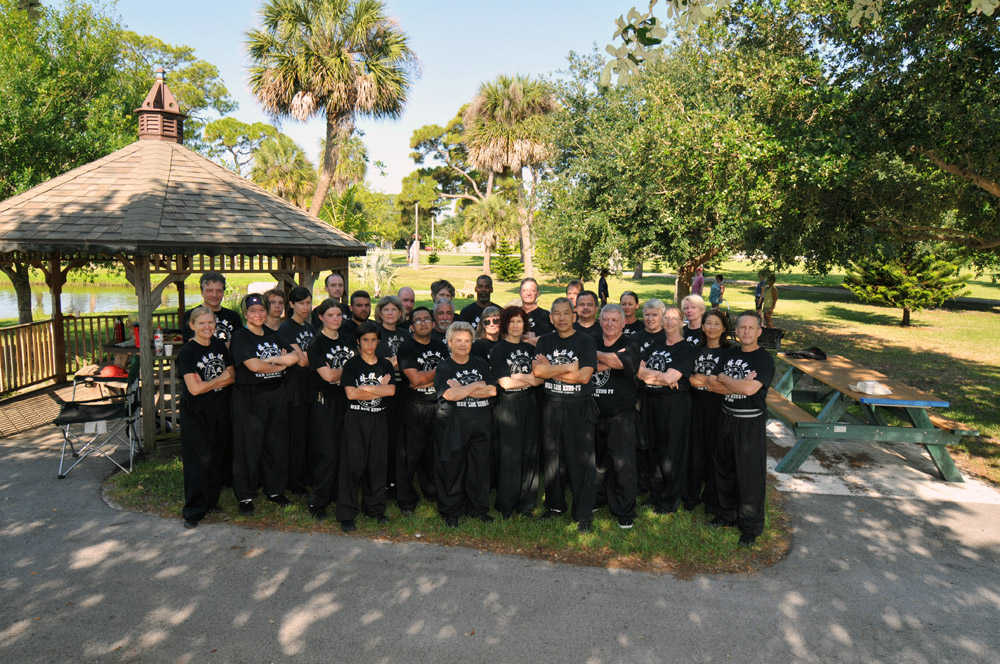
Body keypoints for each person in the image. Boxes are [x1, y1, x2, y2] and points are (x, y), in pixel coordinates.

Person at [707, 311, 776, 547]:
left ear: (759, 331)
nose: (746, 332)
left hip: (749, 423)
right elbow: (712, 385)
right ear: (735, 331)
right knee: (724, 469)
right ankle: (726, 515)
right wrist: (738, 382)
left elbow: (749, 390)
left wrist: (725, 378)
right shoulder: (730, 354)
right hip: (726, 417)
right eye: (742, 327)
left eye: (751, 328)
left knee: (749, 476)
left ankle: (750, 526)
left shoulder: (764, 359)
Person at [229, 293, 299, 514]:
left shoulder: (272, 335)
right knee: (248, 446)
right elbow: (254, 366)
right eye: (252, 311)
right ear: (245, 313)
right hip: (249, 397)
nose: (257, 314)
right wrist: (280, 365)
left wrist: (270, 360)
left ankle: (275, 490)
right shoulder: (241, 336)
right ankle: (245, 496)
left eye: (261, 310)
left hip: (275, 395)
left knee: (276, 444)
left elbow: (295, 357)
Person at [533, 297, 598, 532]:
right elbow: (537, 372)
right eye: (557, 314)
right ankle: (554, 506)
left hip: (578, 407)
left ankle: (583, 514)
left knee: (580, 460)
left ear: (574, 316)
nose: (561, 318)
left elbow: (584, 377)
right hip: (552, 406)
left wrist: (550, 370)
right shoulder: (544, 341)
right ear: (551, 318)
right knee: (553, 459)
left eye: (566, 313)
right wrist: (570, 367)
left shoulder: (586, 341)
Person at [433, 321, 498, 527]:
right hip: (454, 424)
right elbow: (450, 395)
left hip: (481, 422)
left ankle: (478, 509)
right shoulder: (444, 367)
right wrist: (476, 384)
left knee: (479, 467)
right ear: (450, 342)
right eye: (458, 340)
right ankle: (451, 510)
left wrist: (462, 388)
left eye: (467, 341)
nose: (463, 344)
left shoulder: (480, 363)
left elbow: (492, 390)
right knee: (452, 468)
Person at [176, 306, 235, 529]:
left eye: (210, 323)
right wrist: (220, 379)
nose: (207, 327)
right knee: (198, 460)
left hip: (220, 407)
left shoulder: (219, 345)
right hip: (197, 411)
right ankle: (193, 510)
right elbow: (194, 389)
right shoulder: (187, 353)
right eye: (201, 323)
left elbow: (233, 376)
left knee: (216, 456)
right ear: (192, 325)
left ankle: (211, 502)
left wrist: (210, 383)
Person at [637, 305, 696, 514]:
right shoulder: (656, 344)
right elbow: (639, 371)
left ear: (682, 322)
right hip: (651, 402)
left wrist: (652, 375)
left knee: (671, 451)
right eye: (666, 318)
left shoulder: (686, 348)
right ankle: (655, 494)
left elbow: (671, 377)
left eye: (674, 318)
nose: (669, 322)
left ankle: (669, 498)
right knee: (653, 448)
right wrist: (661, 378)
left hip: (674, 405)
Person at [337, 322, 395, 532]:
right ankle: (346, 513)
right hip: (356, 419)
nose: (369, 344)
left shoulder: (385, 364)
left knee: (377, 465)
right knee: (353, 466)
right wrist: (379, 388)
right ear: (358, 342)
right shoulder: (352, 365)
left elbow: (391, 392)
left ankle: (375, 508)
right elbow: (351, 394)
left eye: (373, 340)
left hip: (378, 418)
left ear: (378, 342)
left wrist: (365, 387)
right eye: (365, 340)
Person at [490, 306, 543, 519]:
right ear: (505, 324)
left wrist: (517, 376)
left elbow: (540, 379)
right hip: (508, 405)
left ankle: (526, 504)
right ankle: (507, 504)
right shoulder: (498, 350)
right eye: (511, 321)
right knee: (510, 455)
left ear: (524, 325)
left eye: (519, 322)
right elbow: (504, 383)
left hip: (529, 403)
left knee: (529, 453)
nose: (515, 326)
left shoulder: (530, 349)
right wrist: (527, 378)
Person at [305, 298, 355, 520]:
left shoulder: (348, 339)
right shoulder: (317, 343)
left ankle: (336, 493)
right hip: (324, 401)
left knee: (344, 451)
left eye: (338, 315)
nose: (335, 319)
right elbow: (327, 376)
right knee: (328, 452)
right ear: (321, 317)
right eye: (330, 315)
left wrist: (341, 373)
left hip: (347, 399)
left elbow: (356, 368)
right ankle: (318, 500)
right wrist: (349, 370)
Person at [592, 303, 640, 529]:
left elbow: (623, 363)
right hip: (593, 413)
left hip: (621, 415)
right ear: (599, 321)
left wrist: (599, 359)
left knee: (623, 465)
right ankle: (597, 498)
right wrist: (610, 361)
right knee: (596, 463)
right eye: (606, 319)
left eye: (614, 320)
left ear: (623, 323)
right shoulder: (591, 340)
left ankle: (625, 510)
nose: (609, 324)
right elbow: (582, 366)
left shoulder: (631, 343)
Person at [396, 306, 448, 514]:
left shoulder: (440, 346)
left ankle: (432, 490)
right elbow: (415, 379)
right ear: (411, 327)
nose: (423, 323)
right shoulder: (407, 348)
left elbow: (447, 375)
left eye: (427, 319)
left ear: (433, 324)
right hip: (414, 407)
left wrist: (426, 378)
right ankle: (406, 499)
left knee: (433, 453)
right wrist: (437, 373)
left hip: (437, 405)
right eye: (418, 320)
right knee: (409, 455)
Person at [684, 308, 732, 516]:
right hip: (695, 406)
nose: (712, 327)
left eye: (717, 324)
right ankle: (691, 495)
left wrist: (704, 380)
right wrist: (711, 380)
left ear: (724, 328)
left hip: (719, 408)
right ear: (702, 327)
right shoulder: (695, 350)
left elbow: (726, 384)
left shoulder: (729, 352)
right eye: (708, 323)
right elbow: (689, 379)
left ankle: (712, 498)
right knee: (694, 452)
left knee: (715, 453)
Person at [278, 286, 316, 496]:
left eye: (308, 303)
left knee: (309, 433)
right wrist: (312, 357)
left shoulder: (310, 328)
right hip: (294, 388)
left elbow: (314, 357)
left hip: (310, 387)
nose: (305, 307)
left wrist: (310, 356)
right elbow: (301, 361)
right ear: (291, 304)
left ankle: (307, 475)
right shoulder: (286, 328)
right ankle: (294, 480)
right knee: (296, 435)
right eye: (301, 303)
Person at [373, 295, 410, 497]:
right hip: (383, 390)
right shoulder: (375, 333)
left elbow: (411, 360)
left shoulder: (406, 334)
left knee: (400, 437)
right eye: (385, 309)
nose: (389, 313)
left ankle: (397, 480)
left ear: (400, 312)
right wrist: (396, 361)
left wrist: (393, 361)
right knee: (384, 438)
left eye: (393, 309)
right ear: (379, 312)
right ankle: (383, 481)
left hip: (404, 389)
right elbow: (377, 364)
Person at [180, 272, 243, 346]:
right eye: (209, 291)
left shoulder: (234, 316)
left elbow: (240, 344)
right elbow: (193, 345)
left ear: (223, 292)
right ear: (202, 292)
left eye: (219, 291)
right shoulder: (190, 315)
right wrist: (228, 346)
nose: (214, 295)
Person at [519, 277, 551, 344]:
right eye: (525, 291)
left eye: (532, 291)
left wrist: (517, 336)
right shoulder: (514, 314)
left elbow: (545, 339)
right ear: (520, 293)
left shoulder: (545, 315)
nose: (528, 294)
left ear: (538, 293)